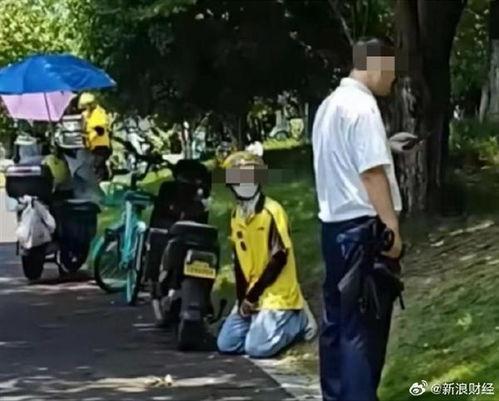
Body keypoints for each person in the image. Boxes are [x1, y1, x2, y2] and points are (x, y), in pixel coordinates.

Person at [312, 37, 403, 401]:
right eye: (391, 70)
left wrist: (387, 146)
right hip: (363, 232)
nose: (393, 79)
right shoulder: (363, 108)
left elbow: (344, 157)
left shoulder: (329, 106)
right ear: (376, 63)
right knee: (363, 330)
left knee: (337, 324)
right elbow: (370, 173)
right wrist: (391, 227)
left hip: (334, 229)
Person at [217, 151, 317, 359]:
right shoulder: (236, 216)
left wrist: (252, 297)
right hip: (253, 296)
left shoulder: (272, 211)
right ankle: (258, 325)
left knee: (256, 349)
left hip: (277, 295)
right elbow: (239, 262)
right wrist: (243, 300)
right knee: (226, 343)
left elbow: (279, 258)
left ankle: (298, 319)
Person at [78, 93, 111, 181]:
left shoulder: (98, 112)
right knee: (97, 166)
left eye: (85, 106)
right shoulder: (87, 114)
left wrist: (89, 138)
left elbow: (100, 130)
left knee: (97, 166)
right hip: (92, 147)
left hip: (101, 146)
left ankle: (101, 182)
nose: (84, 108)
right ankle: (104, 180)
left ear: (90, 104)